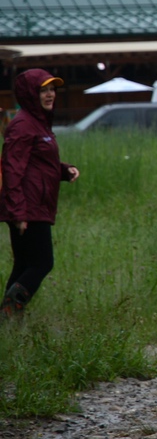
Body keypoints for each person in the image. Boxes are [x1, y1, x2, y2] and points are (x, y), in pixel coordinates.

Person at [0, 69, 80, 317]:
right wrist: (18, 212)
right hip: (28, 208)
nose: (50, 94)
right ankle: (9, 314)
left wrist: (64, 171)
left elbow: (38, 165)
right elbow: (12, 170)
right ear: (30, 94)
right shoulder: (23, 125)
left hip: (35, 206)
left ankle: (7, 322)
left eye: (52, 89)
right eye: (43, 90)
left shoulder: (39, 123)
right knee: (42, 263)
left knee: (24, 265)